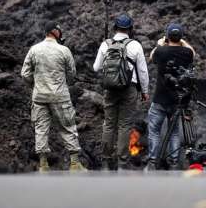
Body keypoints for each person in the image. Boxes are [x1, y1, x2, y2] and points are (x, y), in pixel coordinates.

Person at [21, 21, 86, 172]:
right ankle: (75, 163)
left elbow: (25, 74)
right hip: (60, 96)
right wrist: (64, 83)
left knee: (41, 129)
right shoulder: (64, 50)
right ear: (55, 32)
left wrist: (36, 84)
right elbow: (72, 74)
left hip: (40, 97)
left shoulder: (34, 49)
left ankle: (43, 165)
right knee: (68, 126)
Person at [93, 13, 150, 170]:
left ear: (115, 27)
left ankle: (105, 161)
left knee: (109, 124)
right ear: (130, 28)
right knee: (124, 125)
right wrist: (145, 91)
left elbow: (95, 68)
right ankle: (122, 163)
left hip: (110, 89)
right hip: (129, 89)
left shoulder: (106, 44)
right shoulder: (135, 45)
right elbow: (143, 72)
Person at [145, 22, 196, 171]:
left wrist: (160, 43)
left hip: (160, 98)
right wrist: (183, 42)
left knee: (154, 131)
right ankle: (173, 163)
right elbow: (193, 53)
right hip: (178, 100)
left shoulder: (160, 51)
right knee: (174, 132)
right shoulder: (186, 53)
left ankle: (152, 162)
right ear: (180, 37)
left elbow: (151, 57)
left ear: (167, 36)